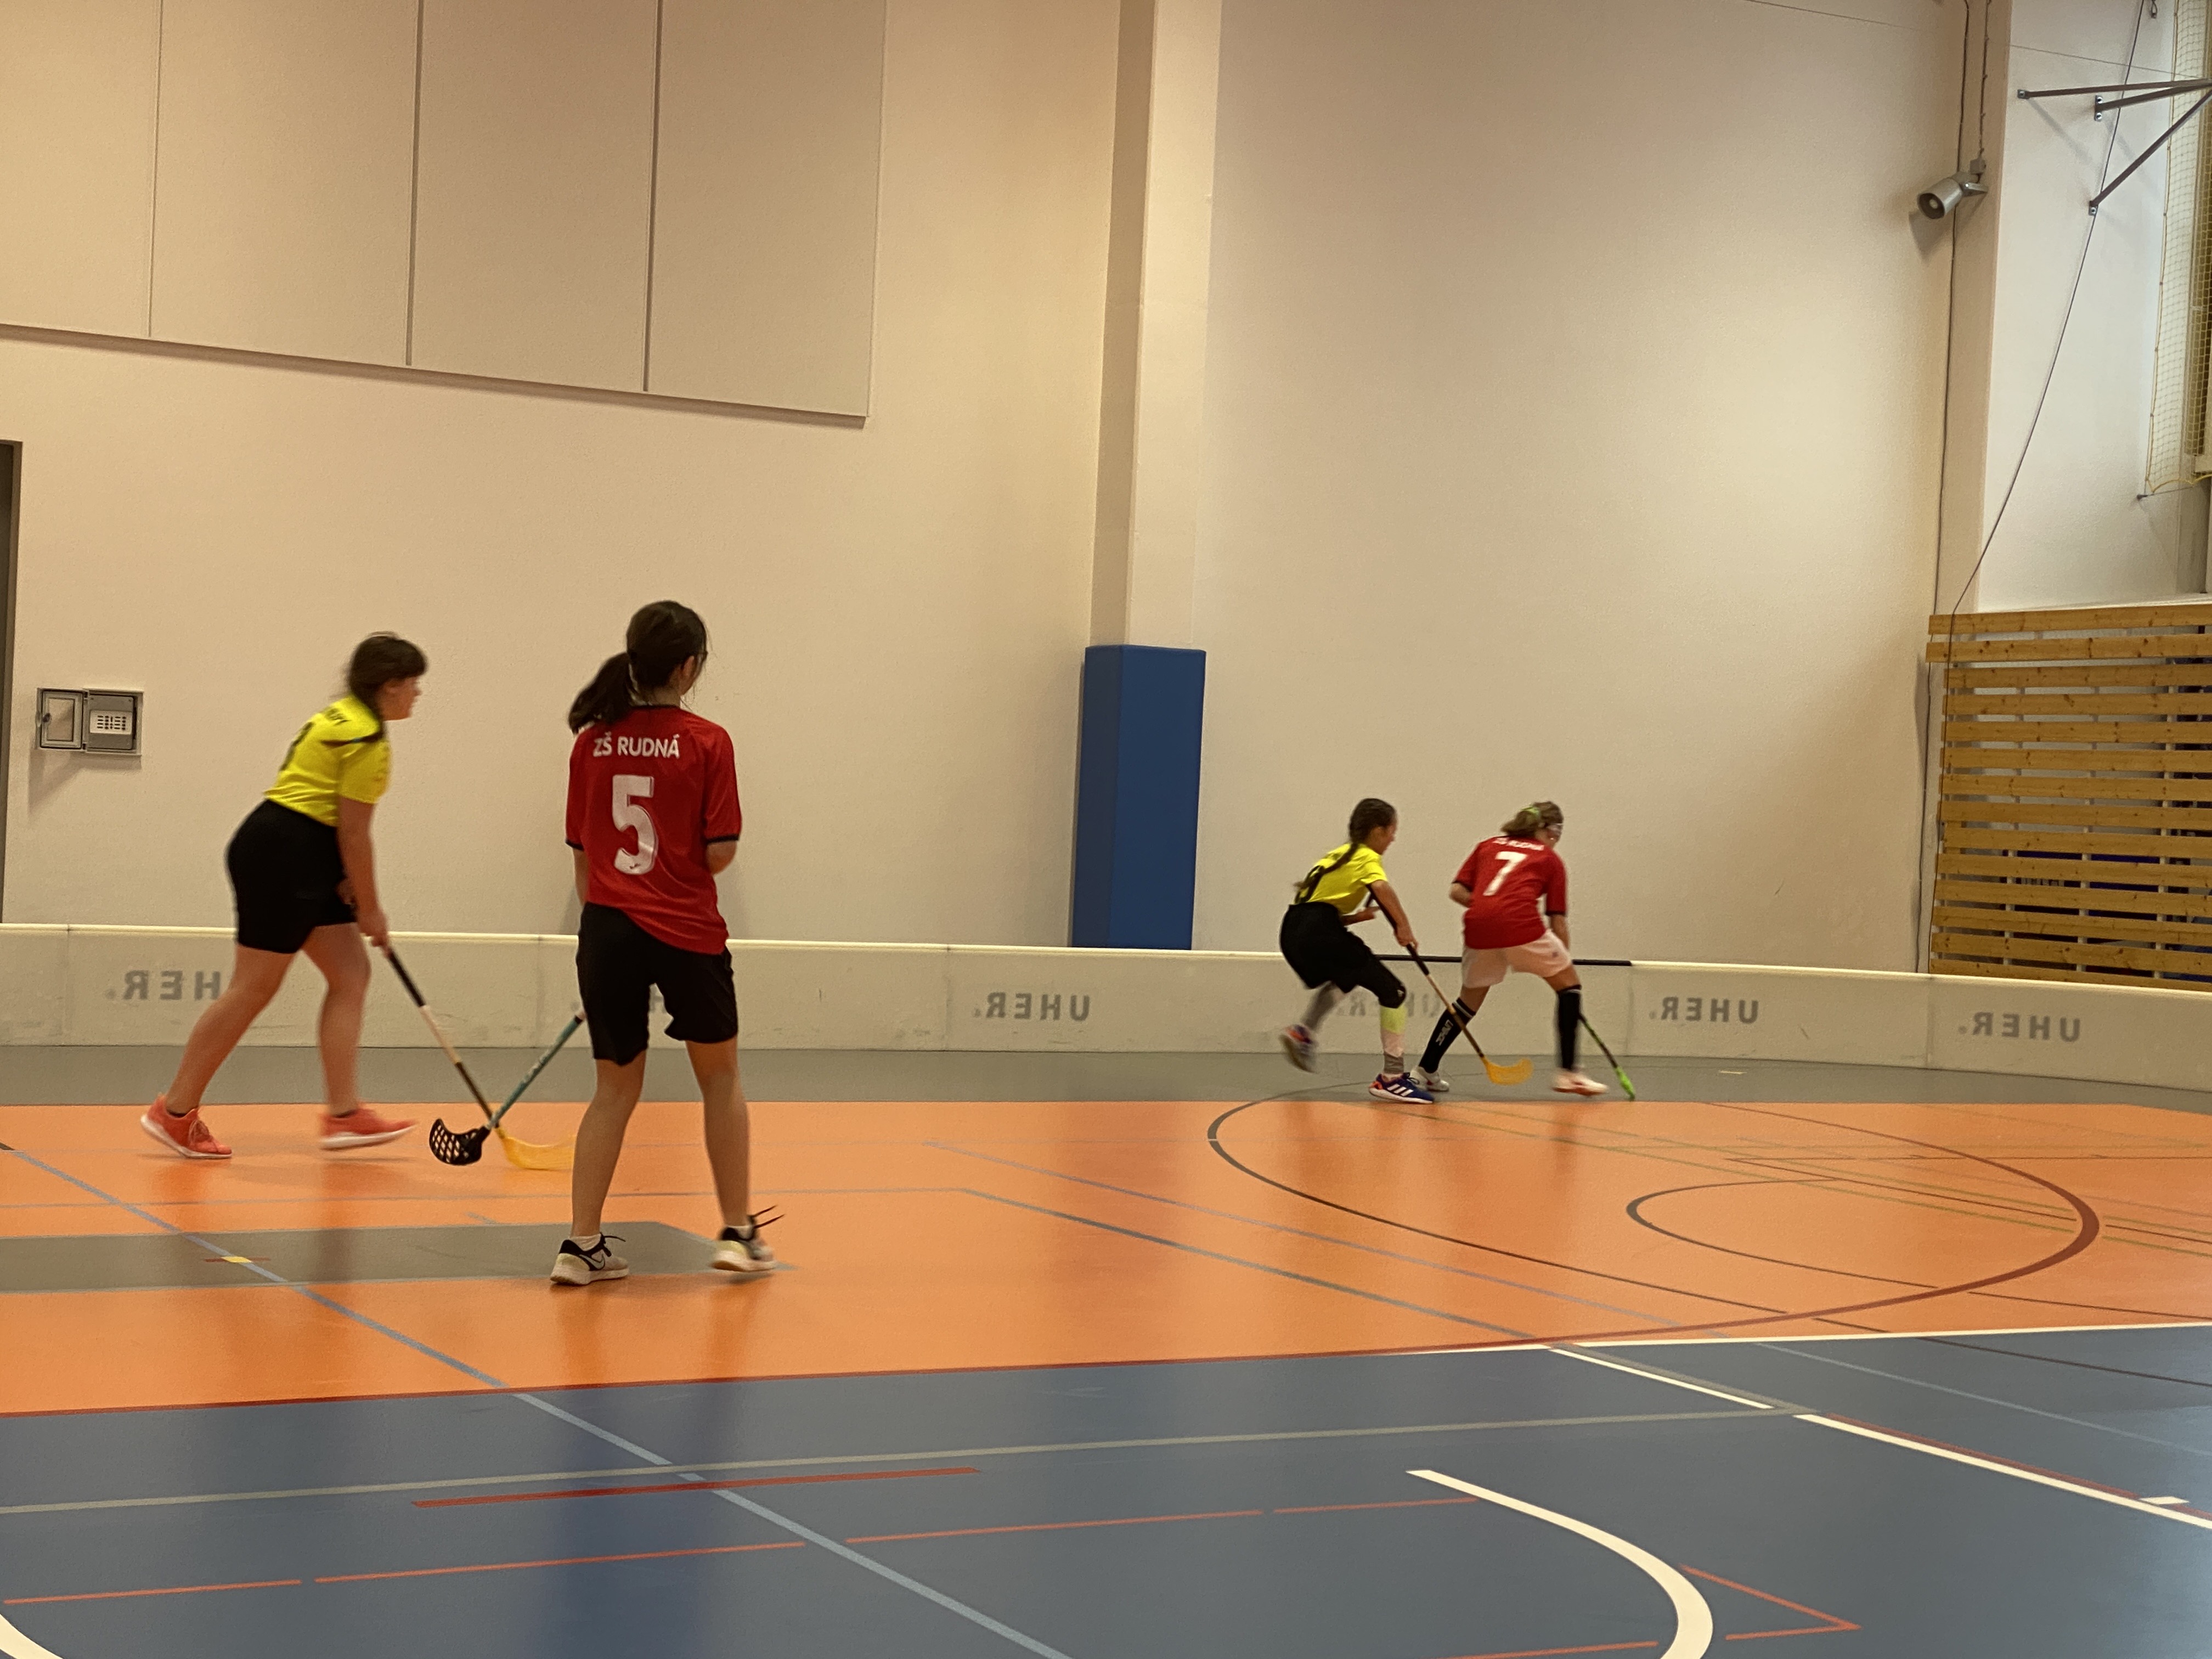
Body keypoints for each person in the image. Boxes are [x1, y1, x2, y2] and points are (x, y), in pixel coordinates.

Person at [552, 600, 777, 1286]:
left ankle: (579, 1246)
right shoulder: (708, 742)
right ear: (688, 668)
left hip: (607, 931)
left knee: (613, 1091)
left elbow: (583, 856)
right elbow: (720, 852)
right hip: (687, 931)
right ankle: (736, 1233)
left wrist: (602, 947)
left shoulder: (591, 742)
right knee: (720, 1079)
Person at [140, 636, 427, 1159]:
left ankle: (344, 1116)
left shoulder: (340, 717)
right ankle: (175, 1113)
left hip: (295, 847)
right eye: (413, 683)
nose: (417, 694)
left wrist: (341, 878)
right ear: (390, 686)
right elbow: (355, 833)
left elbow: (329, 816)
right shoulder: (367, 741)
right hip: (287, 854)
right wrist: (371, 907)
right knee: (253, 988)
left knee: (350, 974)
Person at [1415, 800, 1606, 1097]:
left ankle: (1424, 1070)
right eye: (1557, 834)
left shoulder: (1488, 846)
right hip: (1521, 925)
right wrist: (1564, 964)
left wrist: (1490, 909)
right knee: (1569, 988)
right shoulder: (1549, 858)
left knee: (1466, 1003)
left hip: (1478, 928)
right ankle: (1569, 1073)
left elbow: (1457, 891)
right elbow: (1557, 920)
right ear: (1550, 831)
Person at [1277, 798, 1434, 1103]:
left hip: (1293, 931)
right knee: (1394, 991)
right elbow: (1383, 889)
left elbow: (1314, 908)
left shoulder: (1337, 856)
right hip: (1320, 930)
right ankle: (1391, 1079)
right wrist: (1404, 928)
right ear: (1377, 831)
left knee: (1347, 977)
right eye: (1392, 831)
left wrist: (1355, 918)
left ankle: (1303, 1032)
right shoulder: (1366, 856)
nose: (1393, 839)